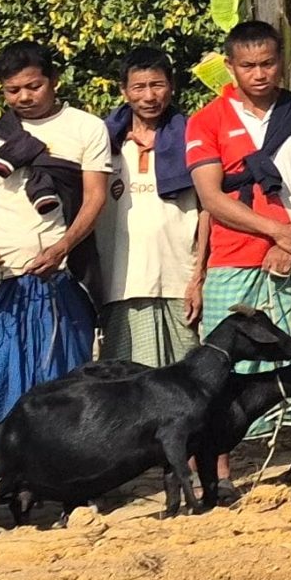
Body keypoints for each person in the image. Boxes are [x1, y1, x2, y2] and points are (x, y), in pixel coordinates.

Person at [186, 20, 291, 483]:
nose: (259, 73)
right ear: (230, 66)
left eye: (268, 63)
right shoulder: (205, 119)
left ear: (282, 61)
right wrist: (279, 232)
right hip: (232, 258)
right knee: (223, 369)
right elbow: (212, 198)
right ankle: (220, 469)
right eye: (247, 65)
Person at [0, 40, 107, 463]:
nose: (23, 97)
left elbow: (94, 198)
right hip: (2, 285)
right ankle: (2, 480)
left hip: (61, 280)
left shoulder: (85, 128)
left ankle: (70, 480)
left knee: (63, 382)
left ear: (53, 81)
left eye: (33, 86)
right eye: (12, 90)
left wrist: (63, 246)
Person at [96, 46, 203, 365]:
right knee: (127, 384)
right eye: (139, 87)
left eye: (157, 85)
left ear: (171, 86)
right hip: (118, 282)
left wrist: (199, 276)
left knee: (185, 383)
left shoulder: (193, 136)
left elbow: (208, 208)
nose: (149, 96)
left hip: (178, 278)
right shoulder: (102, 141)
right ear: (124, 91)